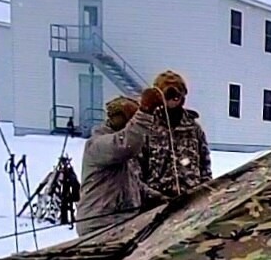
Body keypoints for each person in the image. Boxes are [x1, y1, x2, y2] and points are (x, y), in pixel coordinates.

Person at [75, 95, 166, 237]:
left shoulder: (119, 152)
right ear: (115, 118)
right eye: (130, 119)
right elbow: (126, 144)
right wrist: (145, 113)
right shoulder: (99, 145)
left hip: (121, 224)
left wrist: (159, 198)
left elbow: (132, 184)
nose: (131, 124)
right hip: (100, 226)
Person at [134, 69, 212, 203]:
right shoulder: (146, 128)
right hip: (155, 204)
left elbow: (205, 167)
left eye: (176, 94)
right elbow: (136, 174)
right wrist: (154, 197)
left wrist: (204, 195)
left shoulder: (193, 129)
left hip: (191, 201)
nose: (172, 100)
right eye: (167, 94)